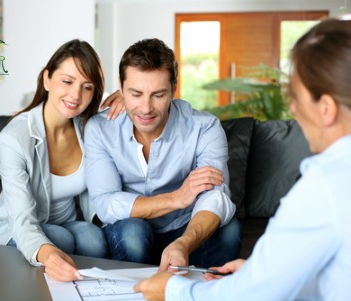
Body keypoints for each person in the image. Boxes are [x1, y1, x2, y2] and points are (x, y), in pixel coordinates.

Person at [134, 18, 351, 301]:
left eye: (296, 97)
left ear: (326, 108)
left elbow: (254, 296)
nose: (294, 109)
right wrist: (263, 273)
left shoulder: (326, 185)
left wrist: (172, 290)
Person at [0, 39, 124, 282]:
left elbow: (142, 109)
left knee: (93, 239)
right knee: (58, 239)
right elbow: (22, 219)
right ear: (47, 79)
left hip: (68, 223)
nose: (76, 95)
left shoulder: (88, 126)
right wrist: (47, 253)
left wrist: (127, 96)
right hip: (19, 227)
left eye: (87, 86)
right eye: (67, 81)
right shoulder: (14, 138)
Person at [84, 38, 241, 271]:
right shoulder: (100, 128)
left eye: (158, 95)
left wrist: (184, 244)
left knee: (229, 231)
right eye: (135, 94)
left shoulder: (204, 127)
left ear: (174, 88)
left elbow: (215, 197)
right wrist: (176, 198)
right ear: (121, 87)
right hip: (132, 228)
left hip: (184, 227)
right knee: (133, 233)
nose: (146, 108)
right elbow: (105, 202)